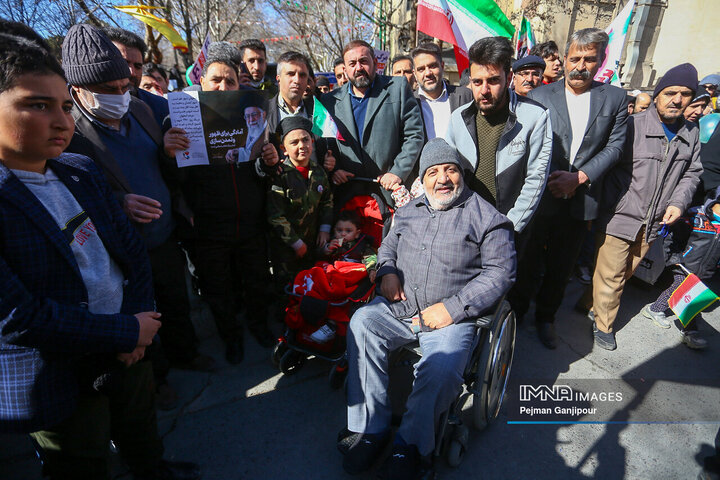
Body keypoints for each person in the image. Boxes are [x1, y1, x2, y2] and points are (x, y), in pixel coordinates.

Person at [0, 23, 199, 480]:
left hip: (128, 344)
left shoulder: (77, 169)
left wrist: (138, 323)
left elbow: (130, 253)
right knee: (83, 459)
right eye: (38, 105)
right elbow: (19, 317)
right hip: (57, 372)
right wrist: (122, 333)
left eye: (65, 108)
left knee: (140, 429)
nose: (62, 121)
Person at [339, 138, 515, 479]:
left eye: (450, 169)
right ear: (423, 178)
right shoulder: (409, 210)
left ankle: (411, 445)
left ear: (462, 174)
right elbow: (387, 245)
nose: (443, 179)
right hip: (400, 309)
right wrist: (387, 271)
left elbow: (501, 272)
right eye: (433, 172)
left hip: (450, 319)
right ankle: (371, 429)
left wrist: (453, 308)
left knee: (443, 367)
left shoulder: (487, 217)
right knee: (362, 322)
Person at [62, 25, 215, 407]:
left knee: (175, 302)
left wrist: (168, 153)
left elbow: (173, 166)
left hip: (164, 235)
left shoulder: (143, 108)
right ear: (78, 91)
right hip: (119, 249)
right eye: (109, 90)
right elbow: (66, 194)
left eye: (123, 85)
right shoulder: (68, 135)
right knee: (140, 315)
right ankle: (157, 378)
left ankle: (186, 353)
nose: (121, 95)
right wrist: (118, 203)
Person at [514, 28, 628, 349]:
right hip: (541, 195)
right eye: (574, 58)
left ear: (600, 61)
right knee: (529, 258)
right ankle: (517, 311)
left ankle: (546, 318)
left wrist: (577, 179)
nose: (580, 65)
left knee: (562, 265)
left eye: (588, 59)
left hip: (581, 200)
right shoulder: (540, 95)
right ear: (564, 59)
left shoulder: (615, 99)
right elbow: (527, 146)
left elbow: (615, 148)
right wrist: (552, 180)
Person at [171, 52, 278, 364]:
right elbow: (174, 177)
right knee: (219, 290)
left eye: (229, 81)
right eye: (215, 80)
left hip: (251, 224)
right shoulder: (181, 123)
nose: (222, 86)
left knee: (256, 281)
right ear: (201, 83)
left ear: (238, 85)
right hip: (209, 228)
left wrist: (269, 162)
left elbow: (263, 173)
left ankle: (258, 326)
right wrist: (170, 152)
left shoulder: (255, 115)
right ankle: (231, 337)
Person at [588, 63, 702, 350]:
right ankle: (604, 325)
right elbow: (607, 165)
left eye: (685, 94)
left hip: (655, 222)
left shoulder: (691, 134)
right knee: (613, 274)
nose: (677, 99)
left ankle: (588, 303)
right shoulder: (632, 126)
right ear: (658, 93)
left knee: (625, 271)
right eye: (671, 92)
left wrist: (678, 202)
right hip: (621, 215)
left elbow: (692, 173)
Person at [445, 36, 551, 240]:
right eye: (477, 82)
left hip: (511, 230)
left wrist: (508, 228)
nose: (484, 90)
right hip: (464, 228)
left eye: (493, 80)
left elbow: (535, 180)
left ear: (509, 77)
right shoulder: (458, 118)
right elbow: (449, 171)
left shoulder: (535, 117)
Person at [320, 39, 424, 208]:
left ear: (375, 63)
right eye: (352, 63)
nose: (358, 68)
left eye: (363, 61)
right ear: (345, 70)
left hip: (391, 193)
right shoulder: (330, 101)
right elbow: (328, 142)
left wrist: (397, 172)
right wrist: (336, 169)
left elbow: (414, 135)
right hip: (349, 196)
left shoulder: (397, 87)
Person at [262, 116, 334, 290]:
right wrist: (295, 243)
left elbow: (327, 201)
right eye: (294, 143)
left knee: (311, 285)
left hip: (312, 243)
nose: (302, 146)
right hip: (287, 249)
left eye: (305, 140)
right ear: (283, 149)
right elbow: (275, 216)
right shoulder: (280, 175)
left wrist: (325, 229)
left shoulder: (318, 172)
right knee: (288, 289)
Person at [103, 27, 169, 128]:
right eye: (124, 63)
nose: (132, 73)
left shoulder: (161, 106)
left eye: (138, 66)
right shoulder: (84, 106)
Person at [410, 42, 472, 140]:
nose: (428, 73)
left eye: (432, 66)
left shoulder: (466, 96)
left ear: (442, 66)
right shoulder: (409, 103)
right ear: (415, 73)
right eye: (421, 69)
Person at [322, 210, 378, 282]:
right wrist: (327, 249)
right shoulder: (332, 241)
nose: (343, 234)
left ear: (357, 233)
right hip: (333, 271)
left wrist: (372, 269)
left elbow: (370, 257)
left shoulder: (362, 245)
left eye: (348, 231)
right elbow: (319, 255)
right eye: (339, 230)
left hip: (351, 272)